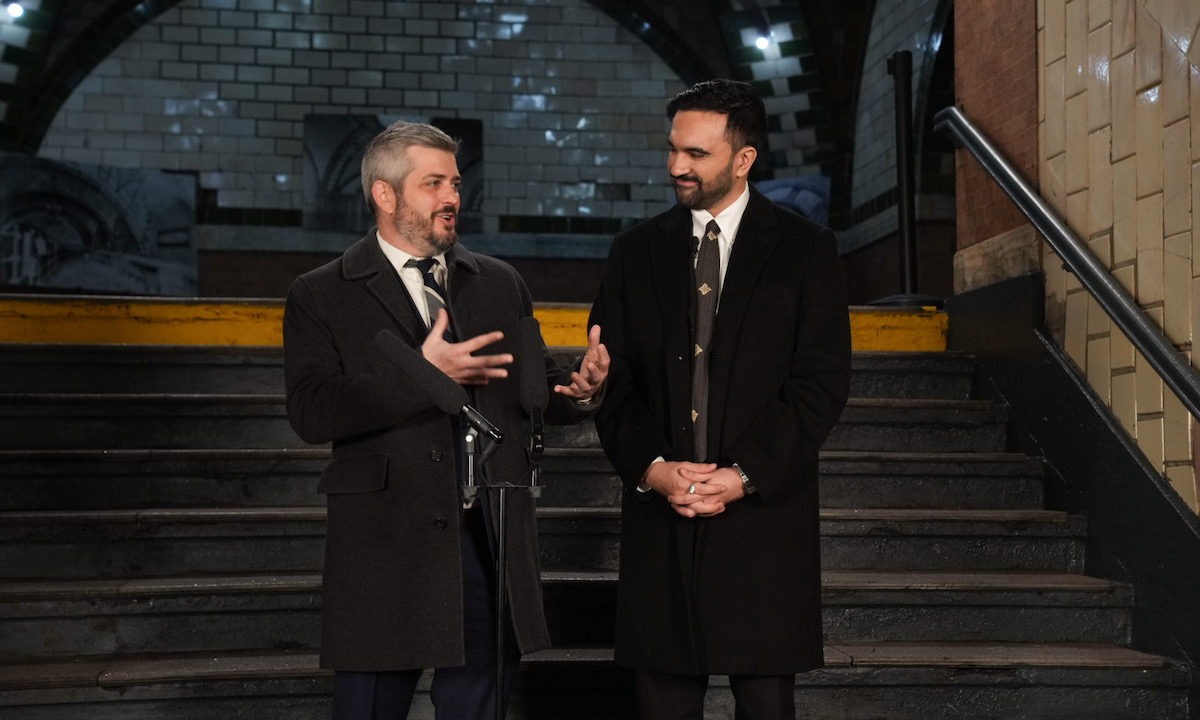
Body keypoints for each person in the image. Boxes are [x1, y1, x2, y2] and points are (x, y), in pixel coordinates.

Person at [283, 120, 609, 720]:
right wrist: (422, 373)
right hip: (387, 539)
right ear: (385, 195)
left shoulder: (500, 282)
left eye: (455, 182)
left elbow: (527, 388)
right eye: (433, 183)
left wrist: (581, 390)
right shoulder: (320, 292)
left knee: (480, 701)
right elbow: (311, 410)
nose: (452, 197)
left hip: (488, 533)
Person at [589, 79, 851, 719]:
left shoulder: (806, 249)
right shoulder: (633, 251)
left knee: (765, 705)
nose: (678, 166)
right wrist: (653, 468)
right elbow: (613, 383)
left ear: (744, 159)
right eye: (673, 149)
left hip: (764, 526)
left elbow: (819, 385)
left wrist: (742, 476)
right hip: (662, 522)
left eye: (697, 154)